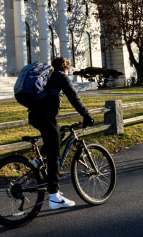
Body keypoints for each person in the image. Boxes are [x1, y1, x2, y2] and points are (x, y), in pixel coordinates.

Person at [28, 56, 95, 210]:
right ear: (66, 68)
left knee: (59, 132)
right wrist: (87, 115)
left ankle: (38, 161)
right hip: (45, 117)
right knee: (55, 155)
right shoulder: (61, 77)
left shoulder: (50, 76)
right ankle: (54, 196)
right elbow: (74, 97)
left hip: (36, 115)